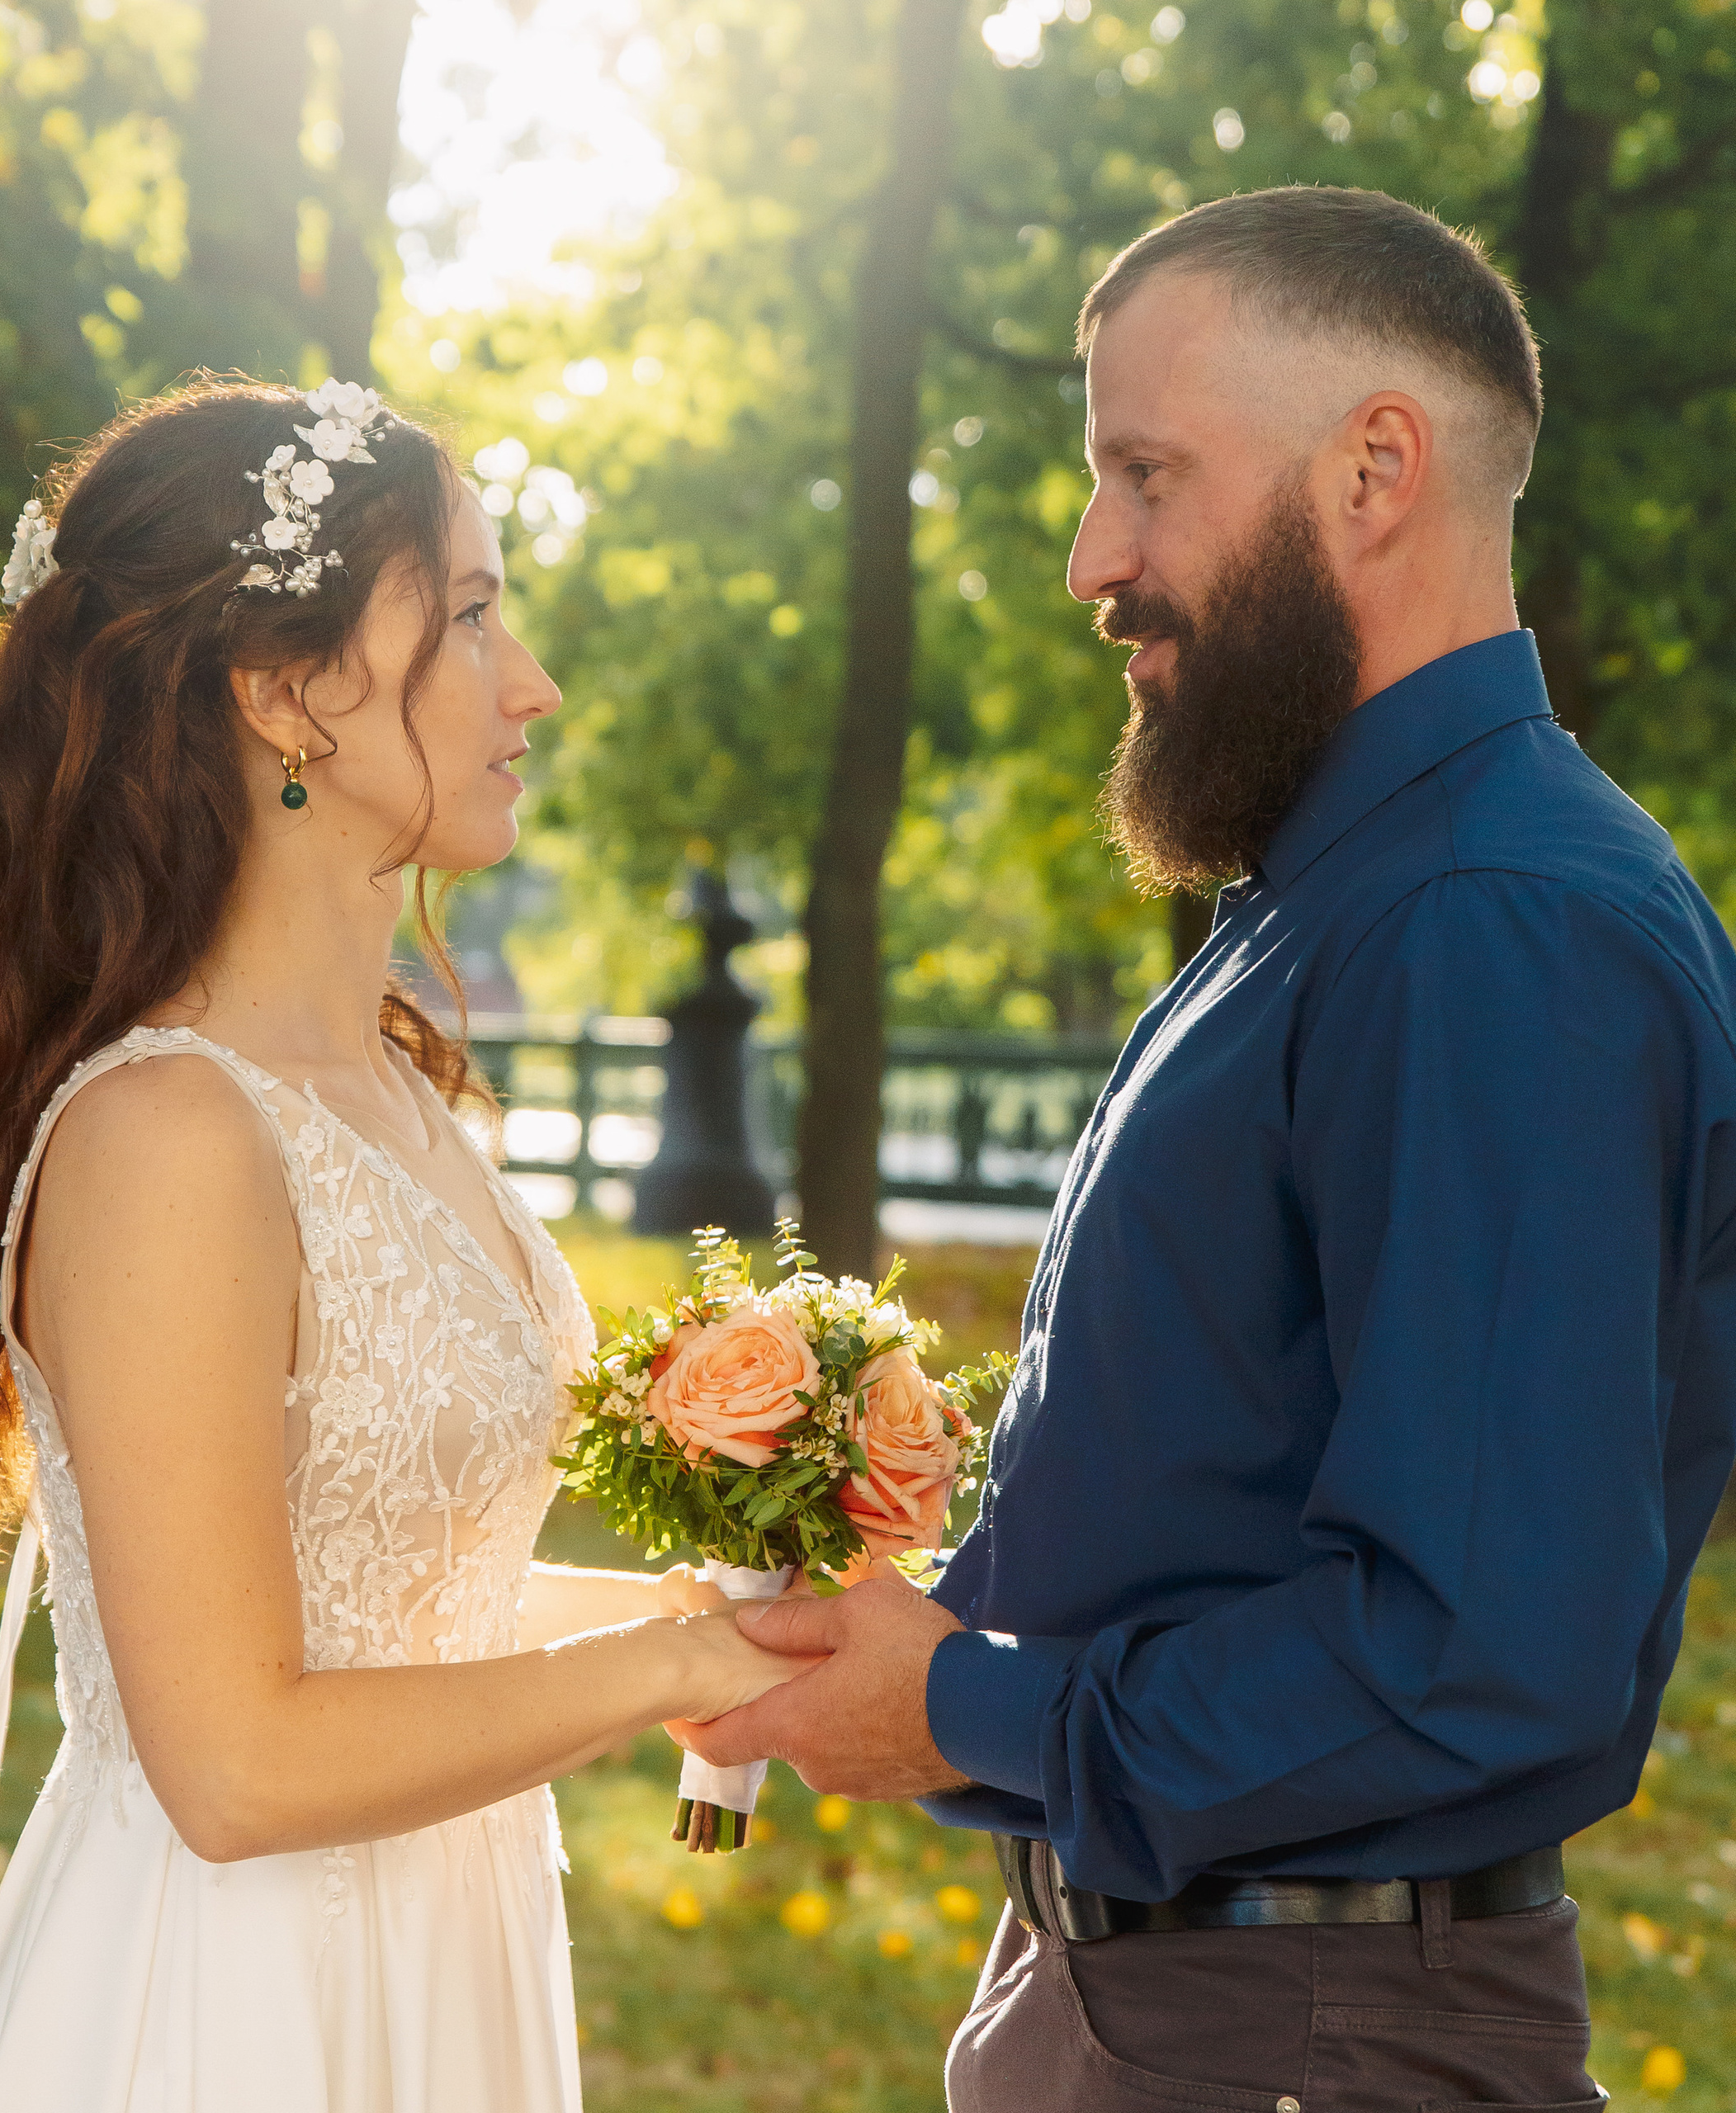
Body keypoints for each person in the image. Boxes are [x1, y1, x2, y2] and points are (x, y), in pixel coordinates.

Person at [674, 186, 1736, 2109]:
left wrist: (958, 1703)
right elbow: (1217, 1497)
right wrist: (901, 1626)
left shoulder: (1485, 923)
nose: (1092, 554)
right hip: (1163, 2002)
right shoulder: (1329, 898)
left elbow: (1474, 1645)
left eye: (1144, 474)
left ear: (1372, 470)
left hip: (1307, 2038)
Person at [0, 377, 799, 2113]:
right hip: (232, 1999)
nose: (532, 685)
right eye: (466, 617)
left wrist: (699, 1606)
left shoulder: (394, 1087)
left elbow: (386, 1591)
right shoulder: (165, 1136)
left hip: (450, 1953)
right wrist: (657, 1666)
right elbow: (230, 1756)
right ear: (289, 693)